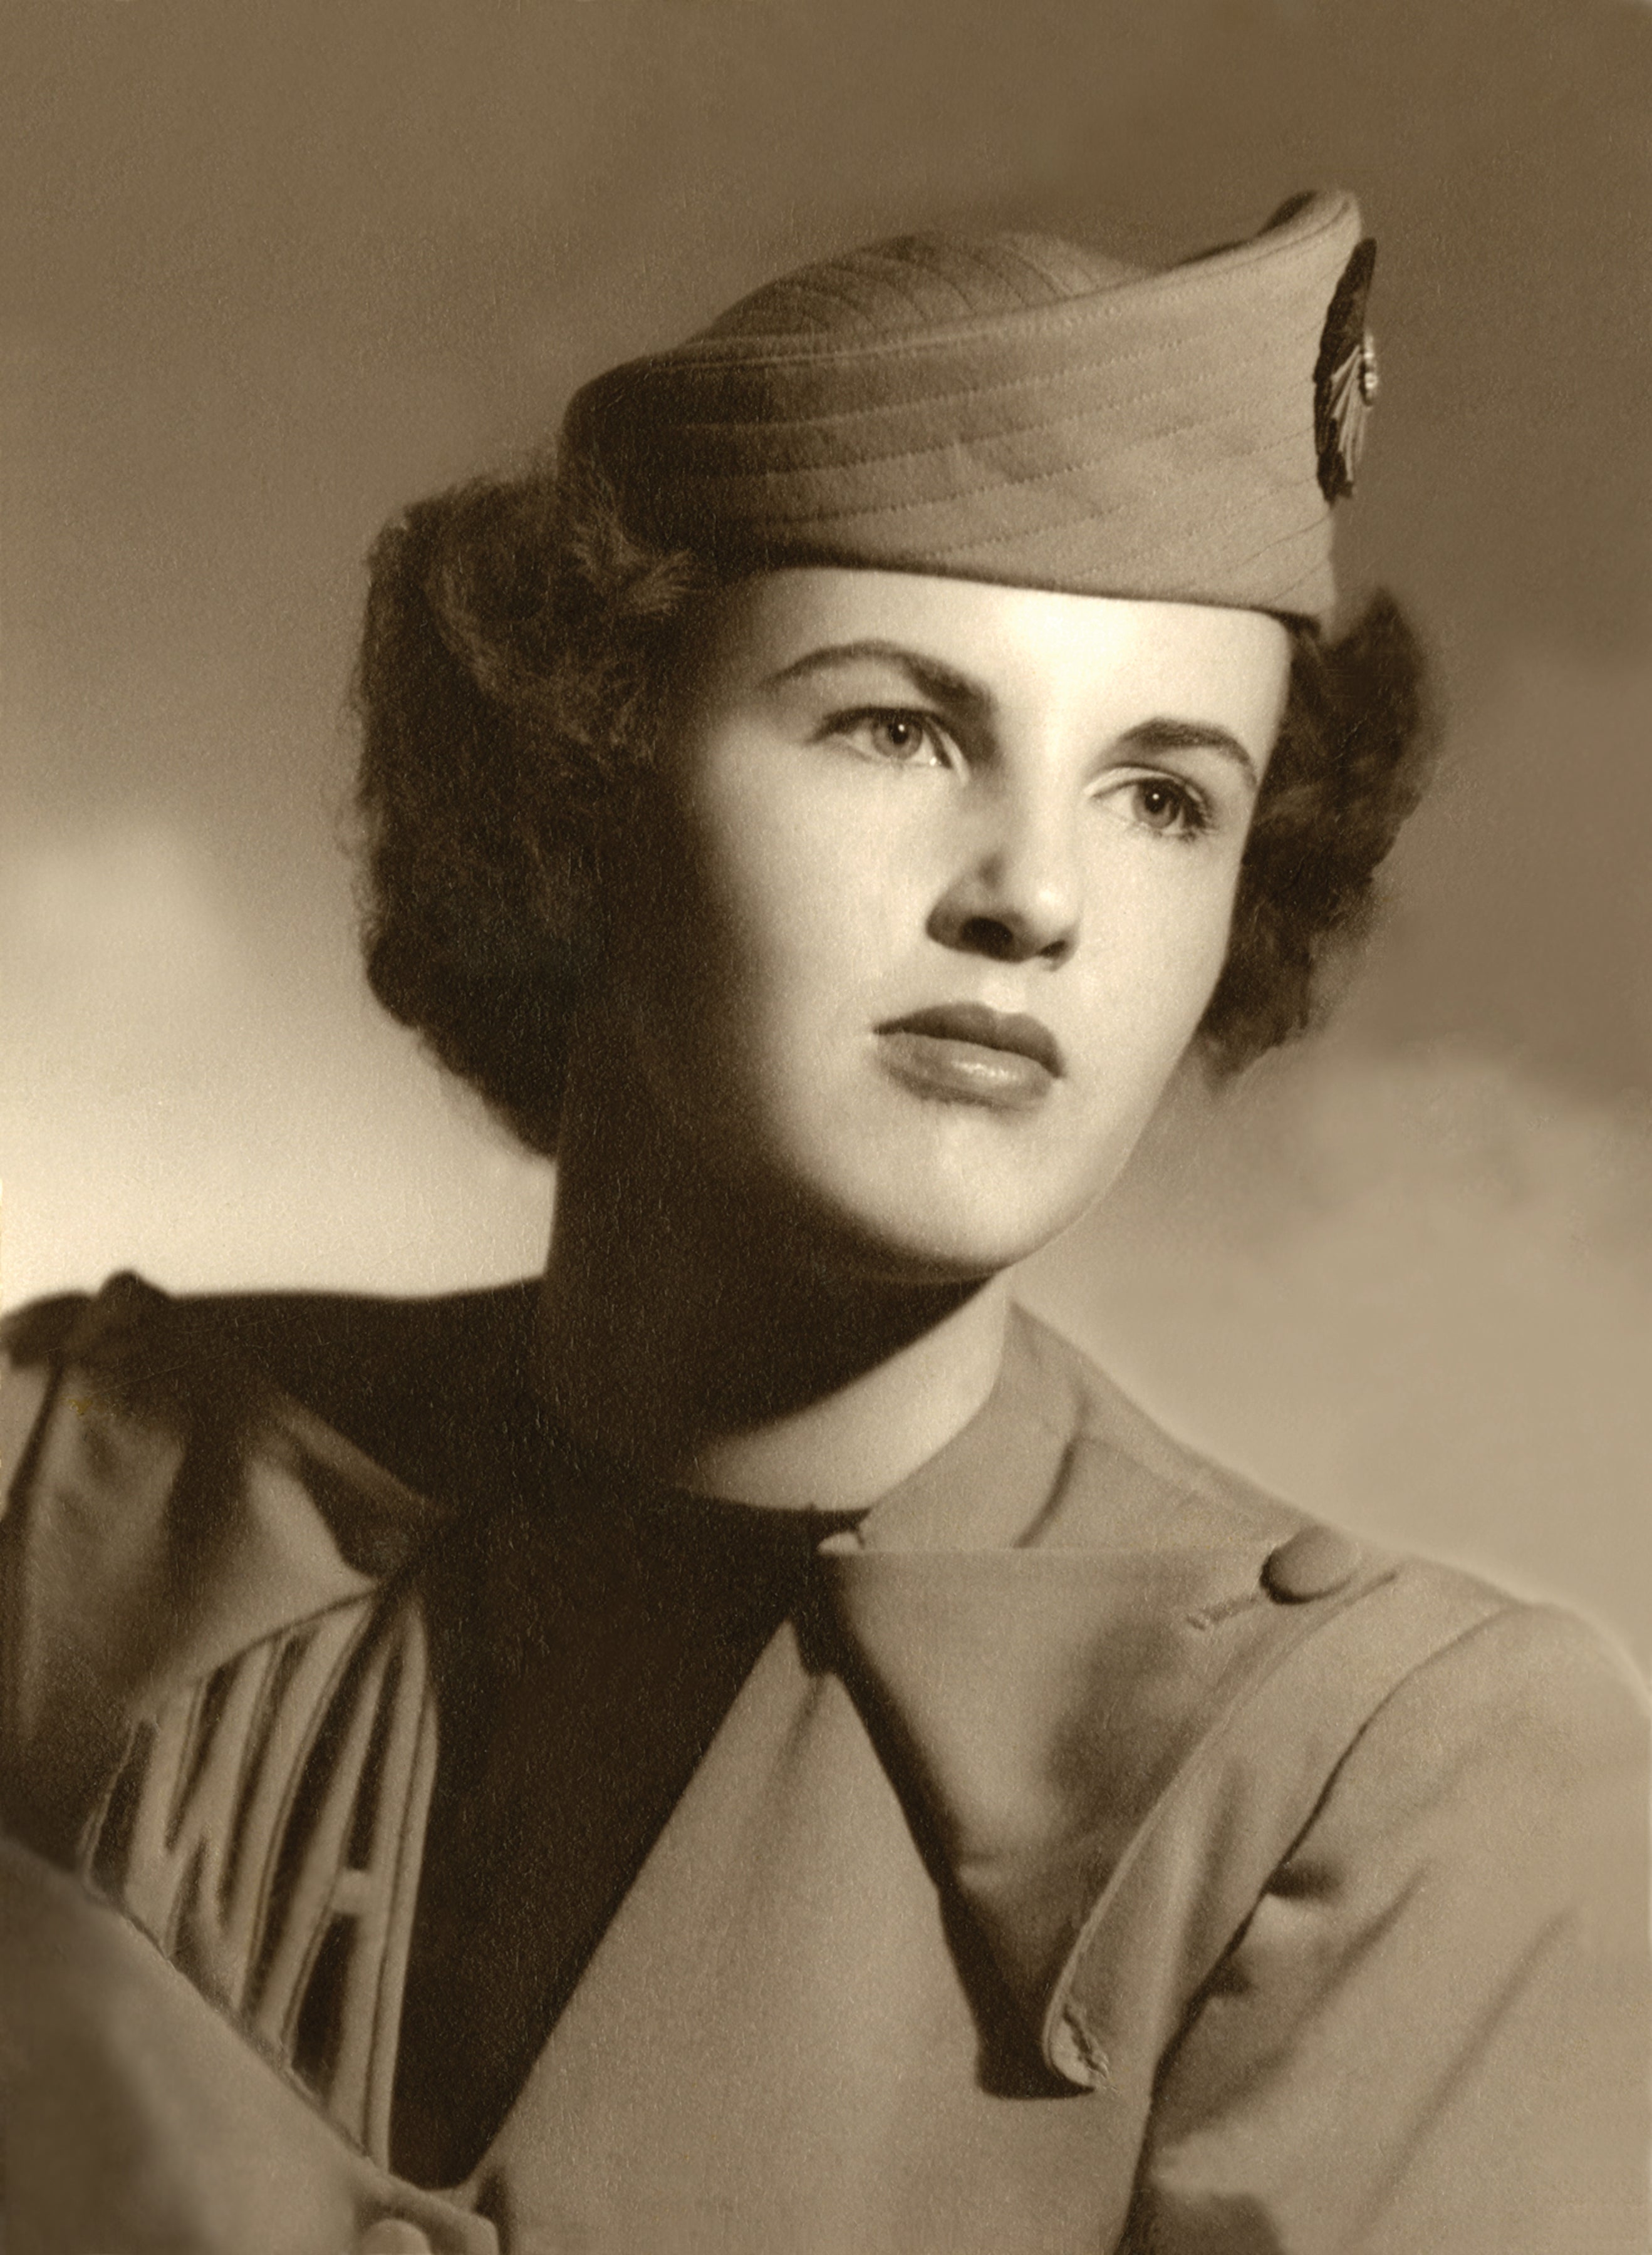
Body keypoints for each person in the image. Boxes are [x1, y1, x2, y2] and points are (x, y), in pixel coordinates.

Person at [0, 190, 1644, 2254]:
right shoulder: (68, 1486)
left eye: (1166, 797)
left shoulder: (1391, 1784)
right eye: (899, 728)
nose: (1033, 896)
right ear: (588, 779)